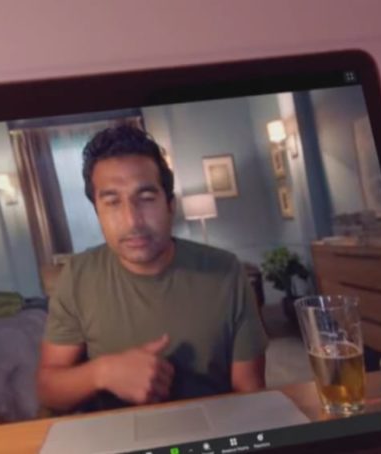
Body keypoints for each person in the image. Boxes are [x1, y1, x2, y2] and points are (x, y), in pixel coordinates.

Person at [36, 124, 267, 413]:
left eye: (146, 199)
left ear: (170, 205)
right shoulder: (76, 277)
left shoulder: (227, 271)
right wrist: (102, 372)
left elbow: (251, 393)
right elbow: (47, 390)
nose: (132, 221)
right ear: (97, 212)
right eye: (112, 202)